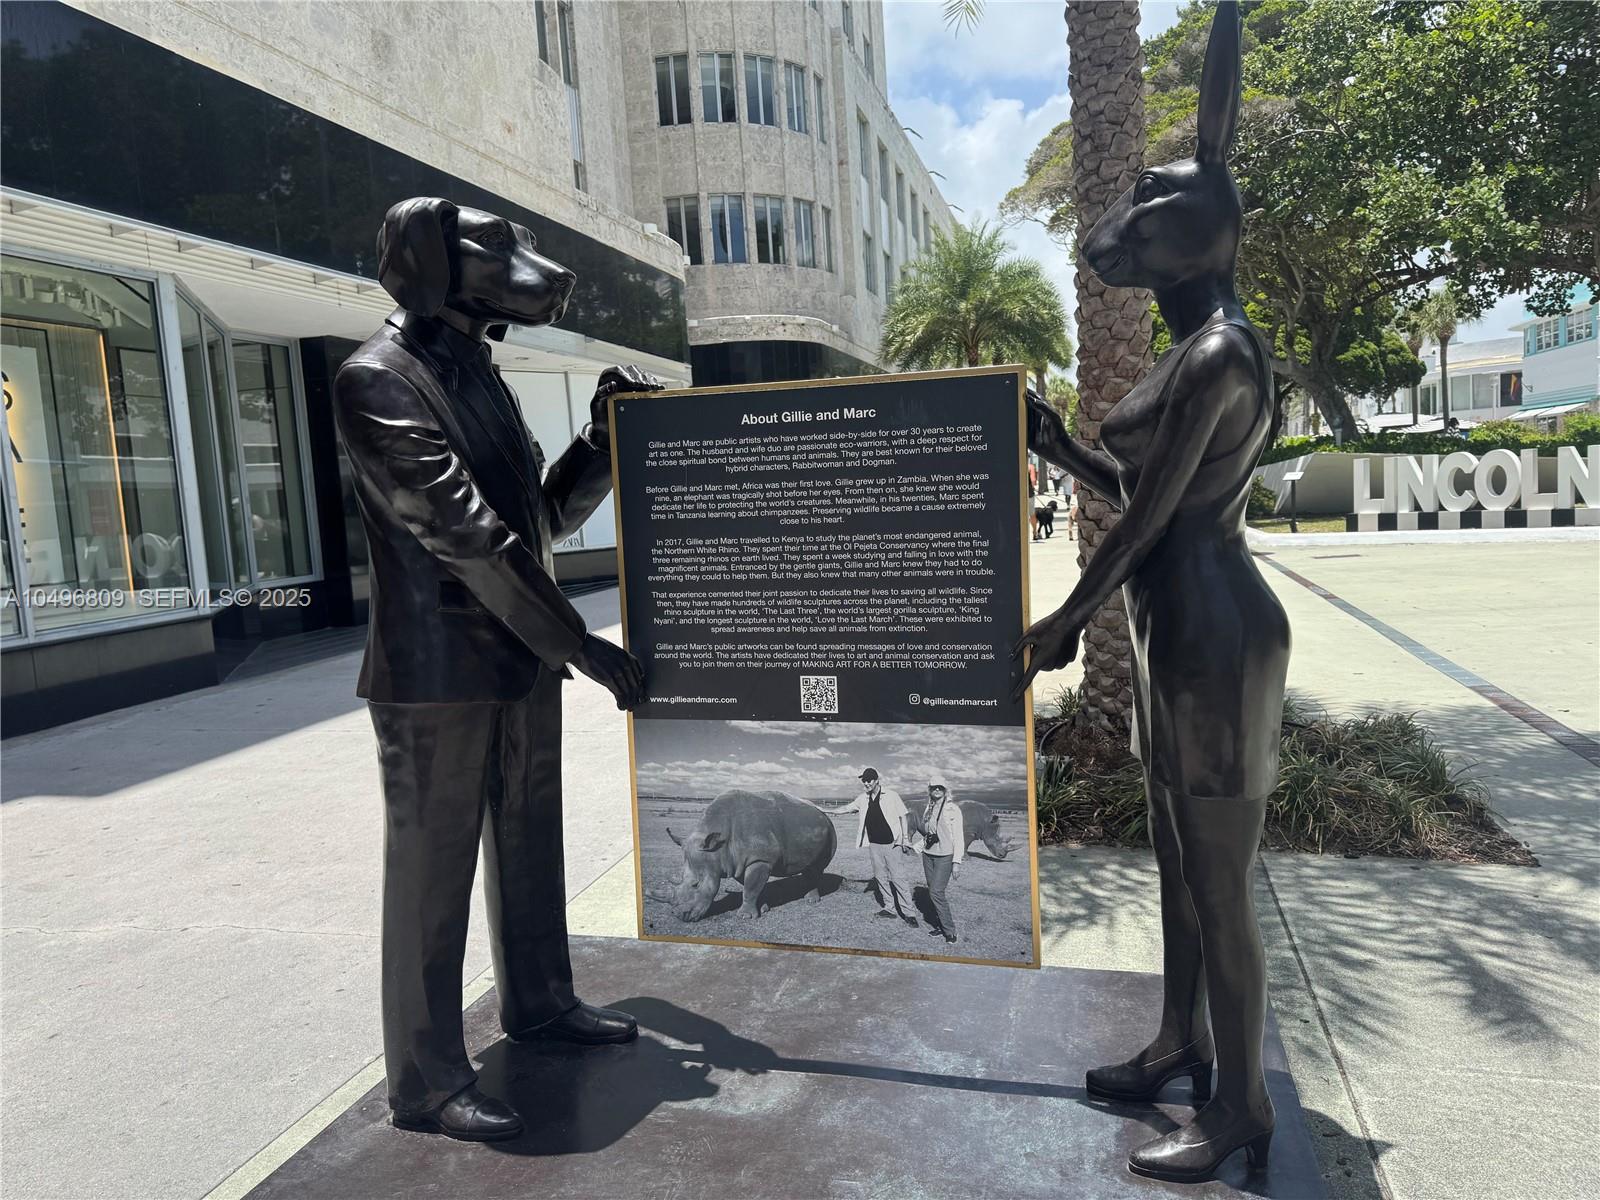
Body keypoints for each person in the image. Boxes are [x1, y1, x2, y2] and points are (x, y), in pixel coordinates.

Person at [836, 768, 918, 927]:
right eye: (864, 781)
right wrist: (824, 810)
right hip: (874, 845)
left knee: (898, 878)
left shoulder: (892, 795)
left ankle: (909, 913)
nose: (866, 783)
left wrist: (905, 838)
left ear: (876, 780)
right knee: (881, 878)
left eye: (869, 780)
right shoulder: (863, 798)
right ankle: (890, 908)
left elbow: (903, 816)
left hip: (892, 844)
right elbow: (845, 808)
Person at [915, 770, 964, 944]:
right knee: (932, 891)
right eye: (933, 787)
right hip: (928, 855)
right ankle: (939, 925)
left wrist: (956, 862)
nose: (936, 790)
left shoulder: (953, 809)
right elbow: (928, 834)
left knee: (936, 891)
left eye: (940, 787)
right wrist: (915, 848)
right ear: (929, 790)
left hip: (945, 856)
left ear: (945, 790)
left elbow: (959, 837)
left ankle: (950, 930)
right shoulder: (928, 808)